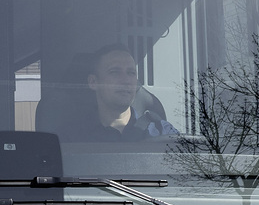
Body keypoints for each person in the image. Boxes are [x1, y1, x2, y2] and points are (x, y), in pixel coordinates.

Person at [42, 44, 179, 143]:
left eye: (131, 73)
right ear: (93, 82)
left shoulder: (162, 132)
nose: (126, 80)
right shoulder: (70, 139)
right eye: (114, 72)